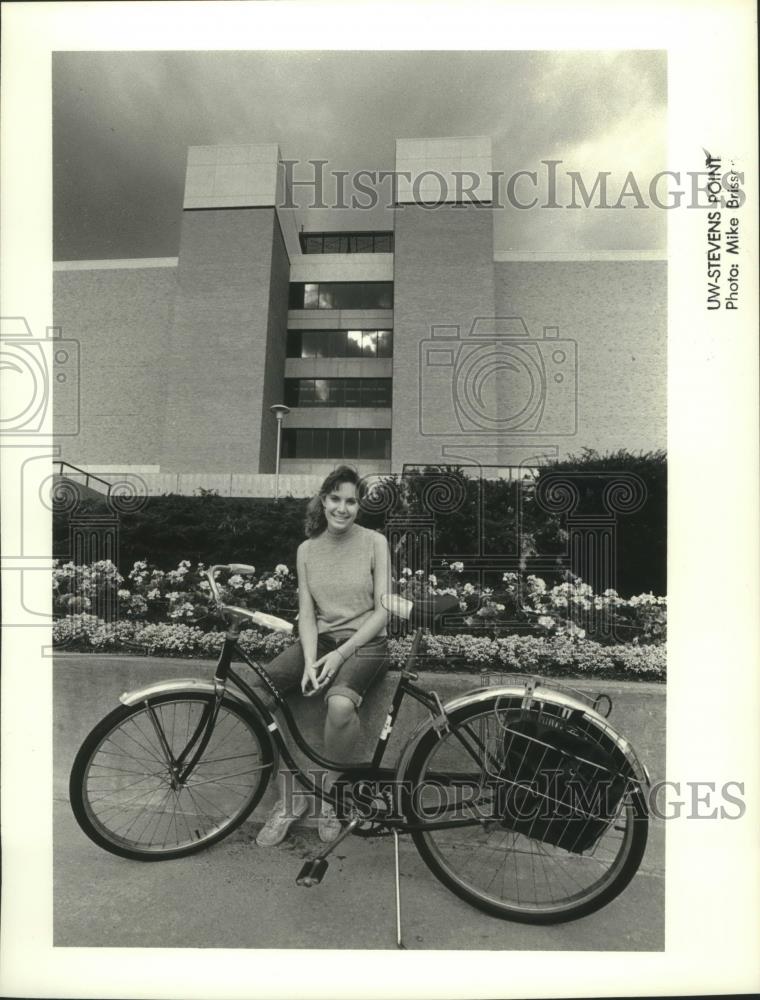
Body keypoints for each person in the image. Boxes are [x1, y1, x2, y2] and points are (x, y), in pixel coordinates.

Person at [255, 465, 391, 847]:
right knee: (260, 693)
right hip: (324, 641)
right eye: (335, 499)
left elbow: (382, 612)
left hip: (367, 643)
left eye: (351, 501)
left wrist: (339, 656)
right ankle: (290, 798)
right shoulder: (307, 549)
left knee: (340, 706)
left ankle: (332, 799)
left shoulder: (375, 542)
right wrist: (313, 658)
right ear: (323, 499)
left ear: (359, 505)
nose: (343, 508)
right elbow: (308, 614)